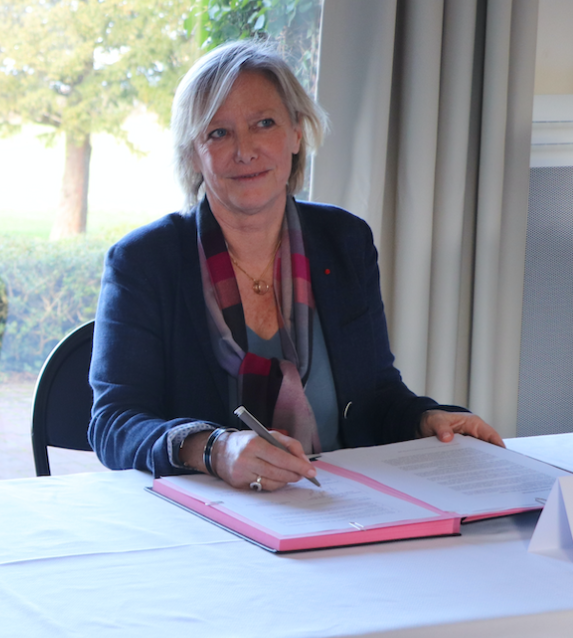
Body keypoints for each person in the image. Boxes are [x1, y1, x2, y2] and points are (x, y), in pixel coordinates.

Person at [88, 40, 501, 491]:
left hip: (342, 504)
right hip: (206, 518)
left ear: (297, 133)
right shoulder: (145, 261)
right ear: (192, 154)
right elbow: (114, 423)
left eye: (264, 123)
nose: (245, 151)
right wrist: (213, 448)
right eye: (218, 133)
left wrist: (428, 419)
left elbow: (376, 394)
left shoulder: (344, 241)